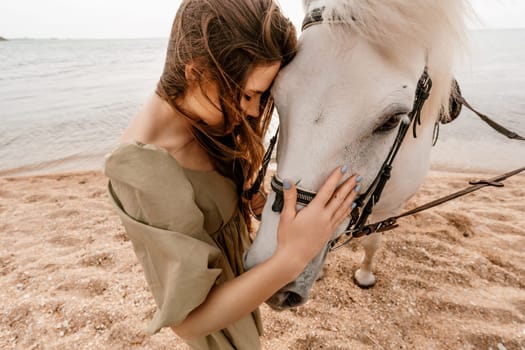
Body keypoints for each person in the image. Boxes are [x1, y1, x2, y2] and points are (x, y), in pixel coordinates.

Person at [104, 0, 361, 349]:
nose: (254, 111)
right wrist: (292, 257)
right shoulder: (143, 168)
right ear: (196, 73)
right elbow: (190, 322)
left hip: (240, 302)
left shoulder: (204, 117)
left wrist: (254, 200)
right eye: (248, 95)